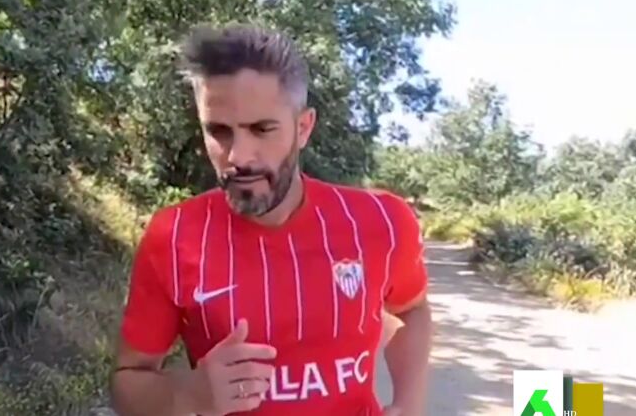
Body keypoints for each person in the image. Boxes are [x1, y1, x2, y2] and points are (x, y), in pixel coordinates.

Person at [109, 23, 433, 416]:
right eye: (219, 132)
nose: (238, 156)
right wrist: (187, 394)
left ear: (303, 128)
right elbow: (128, 382)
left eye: (262, 129)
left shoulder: (381, 221)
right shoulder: (174, 237)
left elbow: (411, 309)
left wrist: (408, 404)